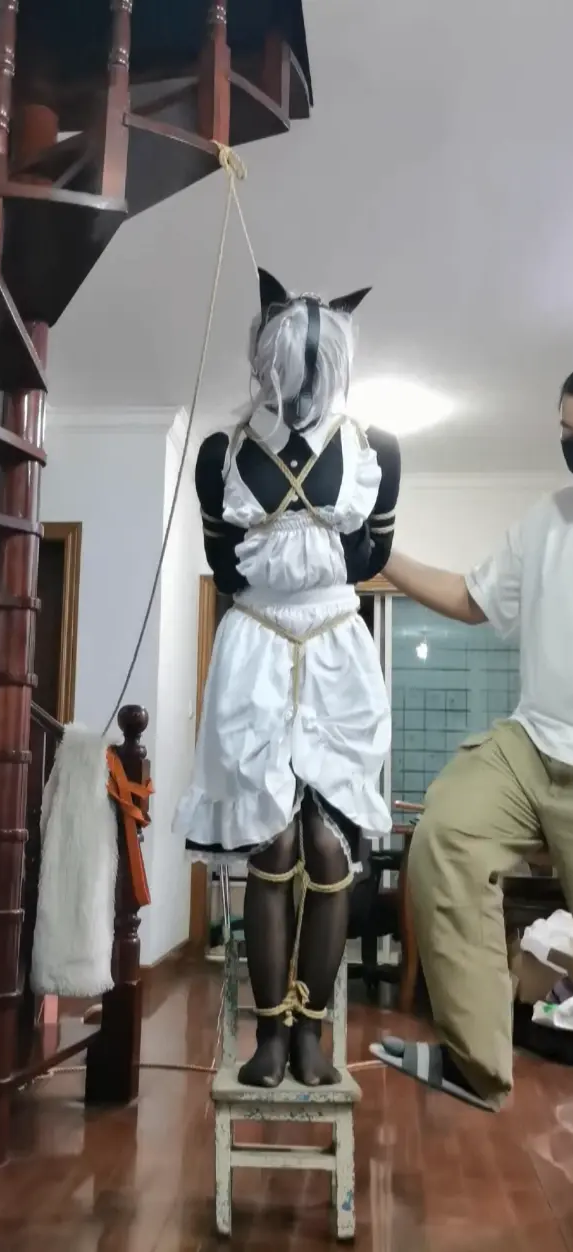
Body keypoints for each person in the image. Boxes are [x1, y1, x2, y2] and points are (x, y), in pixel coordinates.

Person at [174, 267, 401, 1087]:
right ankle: (268, 1034)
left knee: (329, 850)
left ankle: (311, 1032)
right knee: (270, 844)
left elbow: (369, 561)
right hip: (258, 646)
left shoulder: (377, 452)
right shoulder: (220, 454)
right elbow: (224, 566)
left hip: (337, 649)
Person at [371, 374, 573, 1110]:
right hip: (533, 740)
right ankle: (477, 1065)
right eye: (564, 431)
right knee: (446, 833)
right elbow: (469, 596)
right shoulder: (547, 521)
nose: (568, 443)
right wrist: (378, 556)